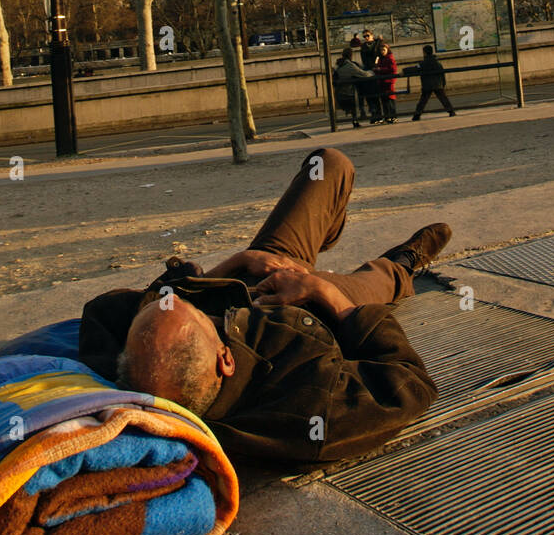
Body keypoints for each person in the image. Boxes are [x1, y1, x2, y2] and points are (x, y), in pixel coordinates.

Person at [79, 147, 450, 464]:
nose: (185, 302)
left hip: (255, 271)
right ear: (225, 359)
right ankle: (403, 265)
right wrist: (324, 293)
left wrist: (234, 264)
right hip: (319, 304)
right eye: (204, 316)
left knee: (329, 163)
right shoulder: (307, 408)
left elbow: (106, 307)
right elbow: (410, 386)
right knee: (381, 280)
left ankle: (327, 231)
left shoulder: (134, 359)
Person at [404, 45, 456, 120]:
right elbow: (442, 74)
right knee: (443, 99)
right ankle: (451, 111)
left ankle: (417, 115)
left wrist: (404, 70)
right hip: (437, 84)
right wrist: (443, 83)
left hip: (427, 85)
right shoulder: (437, 63)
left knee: (423, 101)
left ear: (424, 53)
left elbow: (415, 68)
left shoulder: (424, 63)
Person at [332, 47, 375, 128]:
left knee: (351, 105)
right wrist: (372, 72)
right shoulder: (350, 65)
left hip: (339, 92)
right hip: (348, 92)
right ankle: (356, 120)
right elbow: (363, 74)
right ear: (351, 55)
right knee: (354, 102)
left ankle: (354, 120)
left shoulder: (338, 65)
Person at [374, 40, 399, 123]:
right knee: (384, 100)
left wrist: (380, 69)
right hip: (382, 82)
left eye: (383, 50)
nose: (382, 52)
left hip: (388, 82)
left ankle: (392, 116)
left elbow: (393, 69)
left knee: (390, 100)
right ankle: (387, 116)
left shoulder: (390, 58)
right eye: (381, 50)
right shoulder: (380, 59)